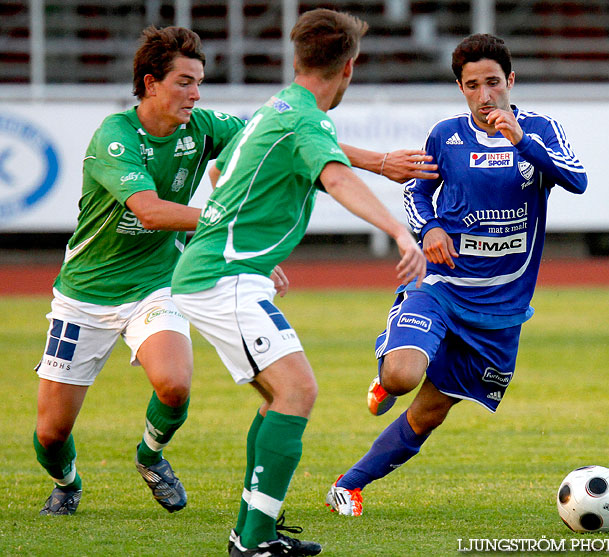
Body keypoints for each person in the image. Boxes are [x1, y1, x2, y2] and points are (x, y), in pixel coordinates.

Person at [33, 24, 436, 518]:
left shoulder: (201, 126)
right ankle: (67, 482)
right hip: (86, 295)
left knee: (175, 384)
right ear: (150, 82)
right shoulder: (115, 137)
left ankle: (150, 455)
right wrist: (231, 228)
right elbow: (151, 212)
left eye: (199, 81)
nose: (195, 93)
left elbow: (284, 138)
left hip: (156, 282)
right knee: (52, 433)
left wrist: (378, 161)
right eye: (184, 81)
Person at [170, 9, 426, 556]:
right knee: (298, 390)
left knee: (276, 399)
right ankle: (252, 541)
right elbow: (333, 175)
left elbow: (227, 172)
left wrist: (251, 240)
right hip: (223, 276)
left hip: (226, 271)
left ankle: (252, 531)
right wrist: (400, 233)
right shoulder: (306, 121)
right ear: (349, 69)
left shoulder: (280, 108)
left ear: (296, 59)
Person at [325, 33, 588, 517]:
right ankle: (387, 376)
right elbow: (416, 191)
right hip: (440, 285)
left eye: (493, 82)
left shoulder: (540, 129)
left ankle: (348, 485)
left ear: (510, 81)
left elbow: (577, 179)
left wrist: (522, 141)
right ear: (461, 89)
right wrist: (429, 229)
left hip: (501, 308)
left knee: (431, 412)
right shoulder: (445, 136)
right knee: (404, 377)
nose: (485, 95)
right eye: (472, 85)